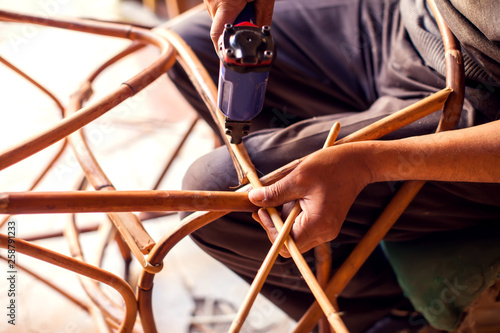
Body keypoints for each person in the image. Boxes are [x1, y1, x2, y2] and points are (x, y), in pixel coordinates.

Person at [166, 0, 500, 331]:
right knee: (190, 45)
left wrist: (368, 164)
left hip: (482, 102)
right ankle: (327, 211)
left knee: (217, 192)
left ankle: (384, 313)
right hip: (413, 15)